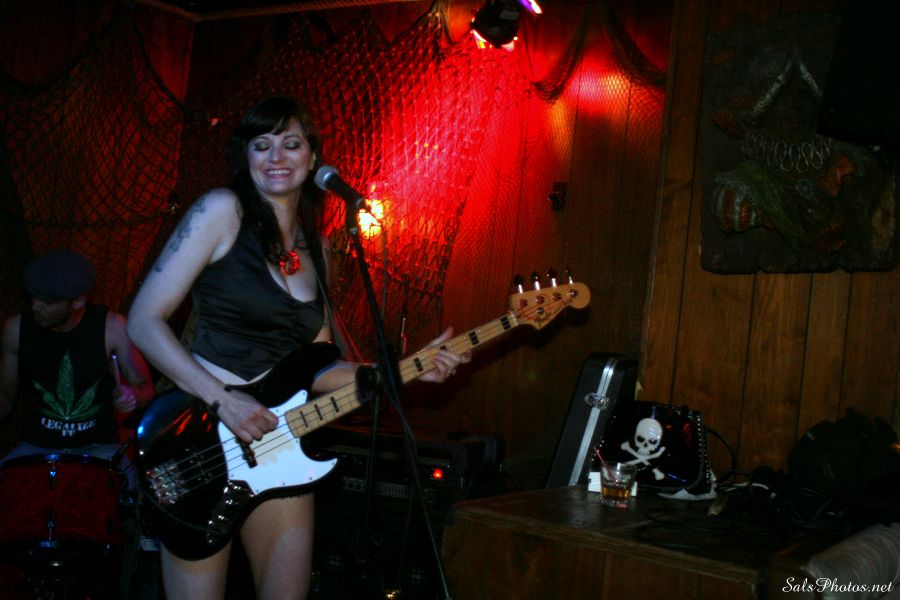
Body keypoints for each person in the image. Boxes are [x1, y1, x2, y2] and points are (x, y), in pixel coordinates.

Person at [126, 96, 470, 600]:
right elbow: (143, 321)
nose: (275, 157)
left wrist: (407, 370)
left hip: (278, 444)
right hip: (200, 435)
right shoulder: (221, 210)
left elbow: (318, 366)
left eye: (290, 144)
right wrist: (223, 399)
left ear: (312, 158)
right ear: (245, 156)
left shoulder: (319, 248)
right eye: (261, 145)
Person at [0, 249, 155, 478]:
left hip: (100, 448)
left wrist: (133, 395)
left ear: (78, 301)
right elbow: (5, 396)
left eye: (48, 301)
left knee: (131, 487)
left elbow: (146, 388)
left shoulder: (112, 327)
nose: (35, 307)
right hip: (36, 447)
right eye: (33, 297)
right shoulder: (16, 329)